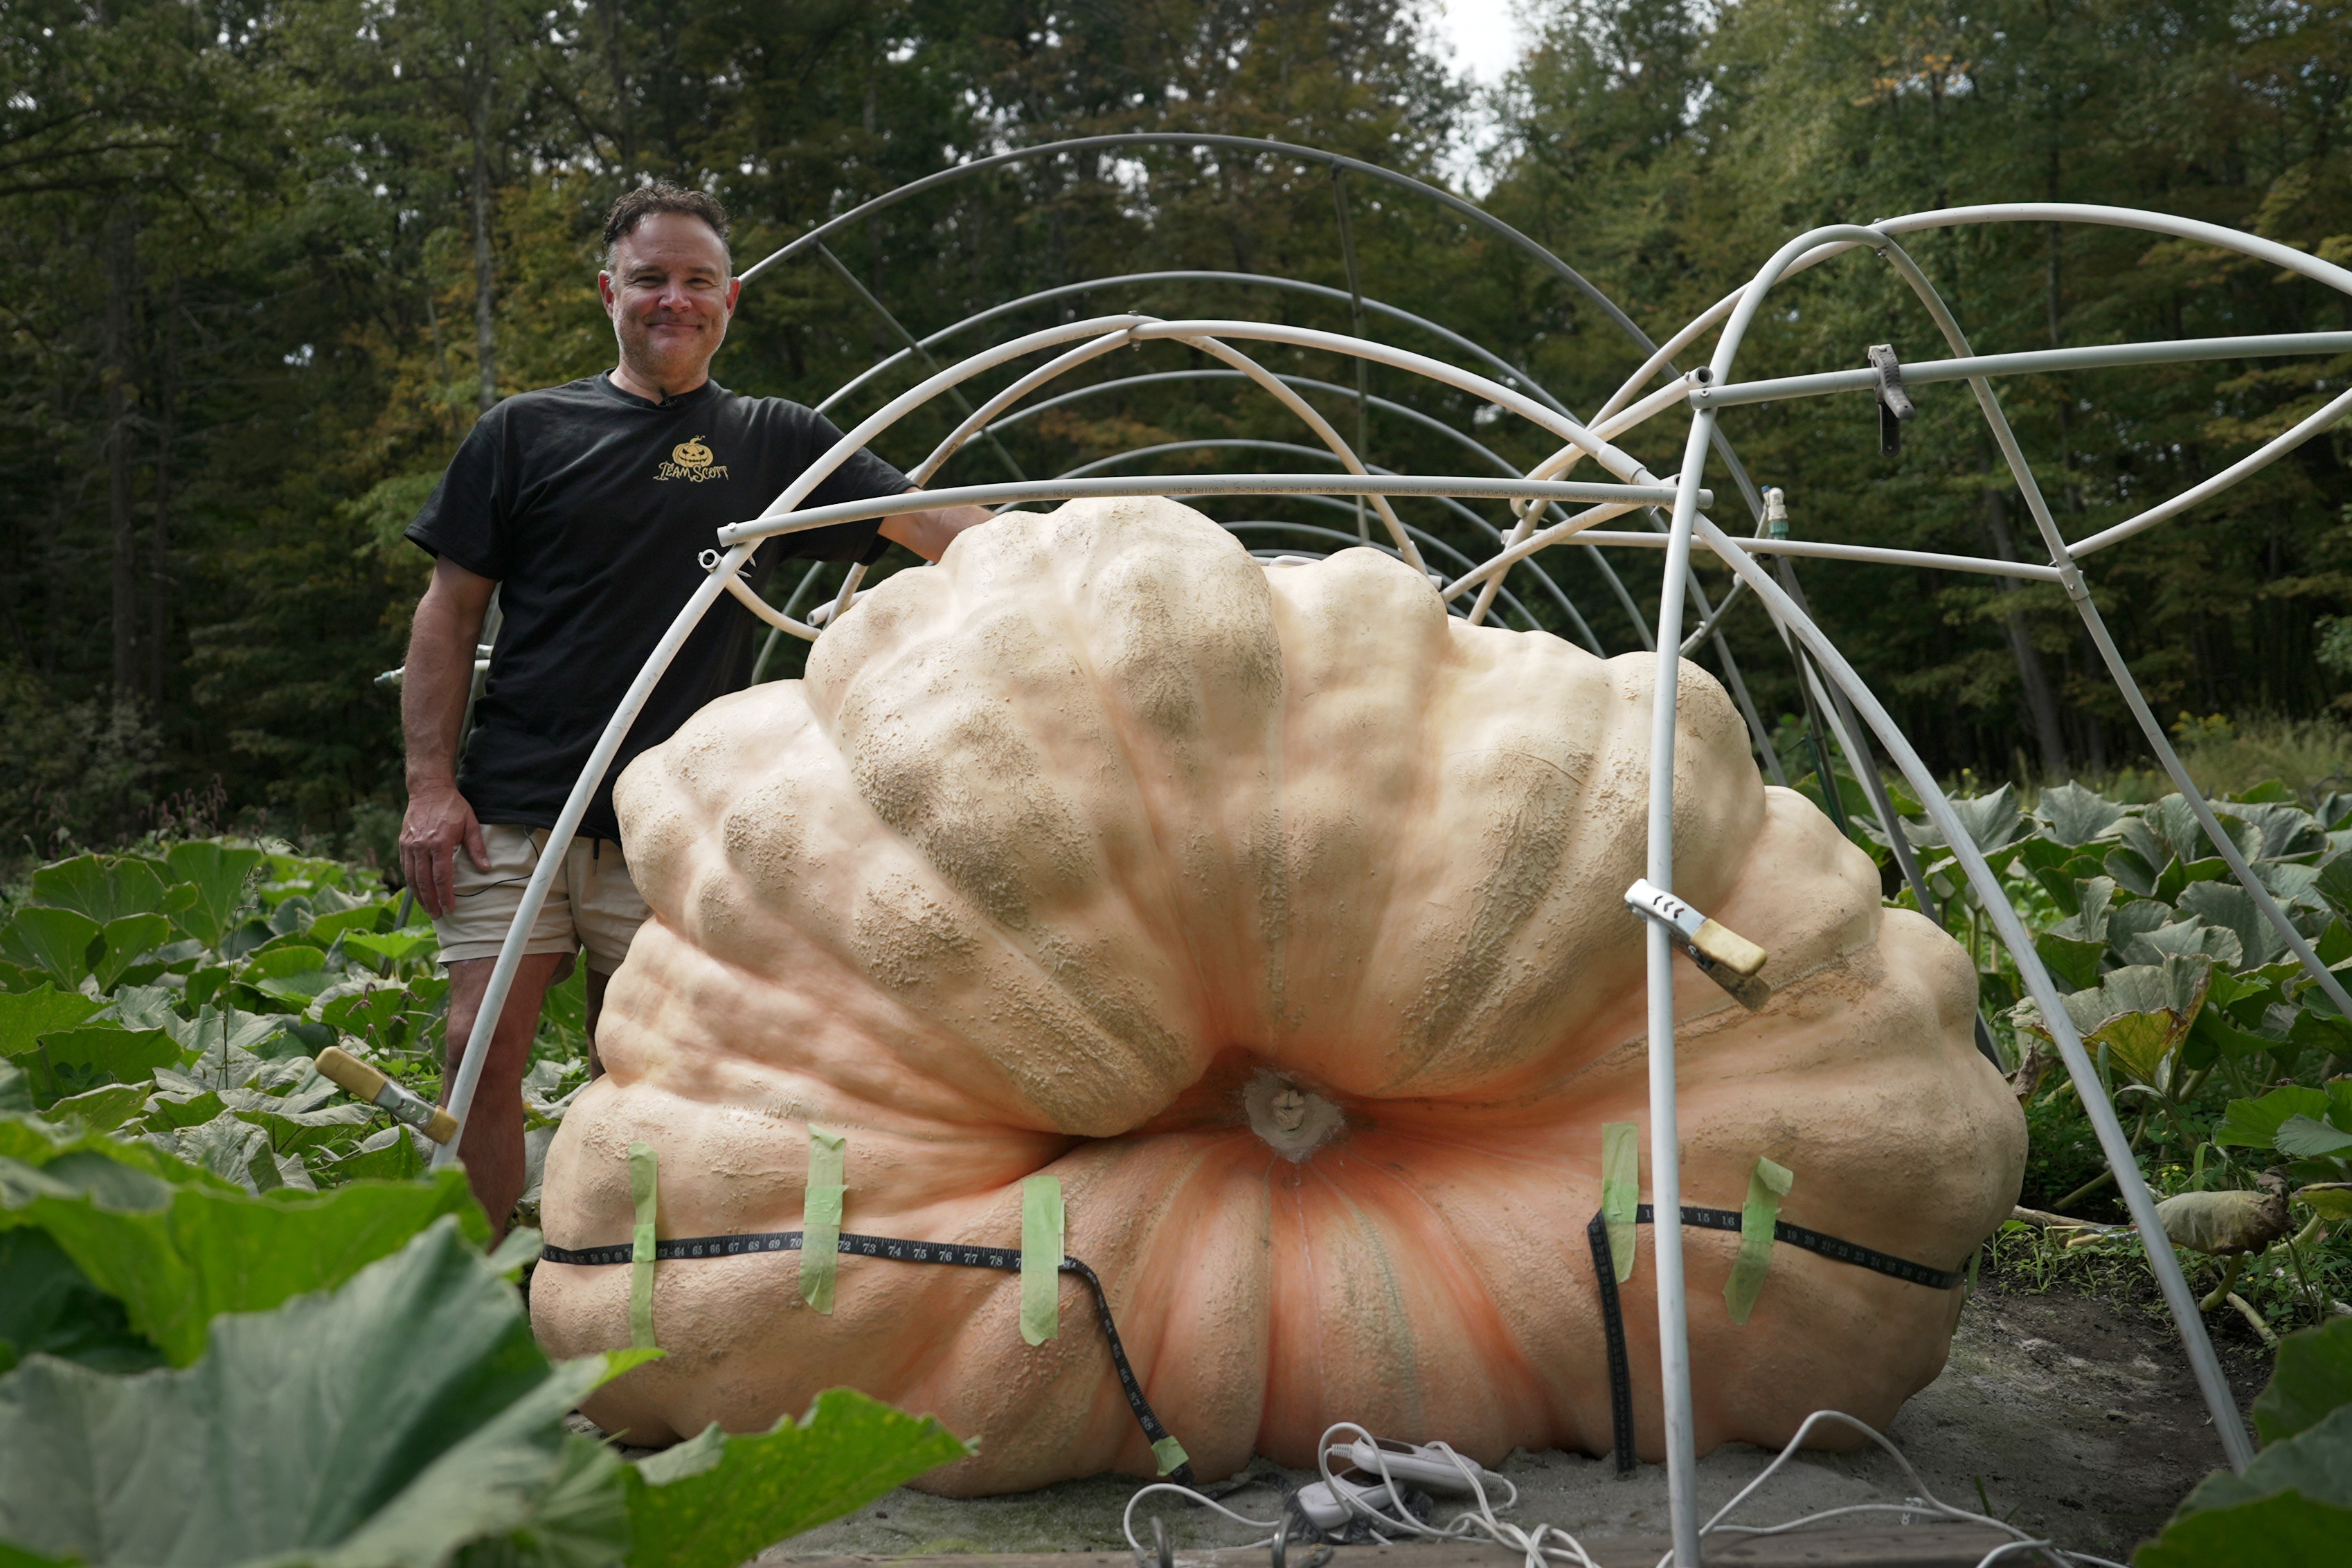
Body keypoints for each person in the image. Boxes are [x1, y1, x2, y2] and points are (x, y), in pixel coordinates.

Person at [398, 182, 989, 1229]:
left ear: (731, 299)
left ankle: (615, 1297)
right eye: (651, 279)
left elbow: (927, 523)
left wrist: (1055, 548)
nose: (674, 299)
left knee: (647, 1071)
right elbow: (447, 614)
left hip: (674, 821)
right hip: (517, 804)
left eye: (697, 281)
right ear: (608, 292)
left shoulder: (769, 440)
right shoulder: (525, 433)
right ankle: (469, 1305)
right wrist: (431, 789)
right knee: (475, 1045)